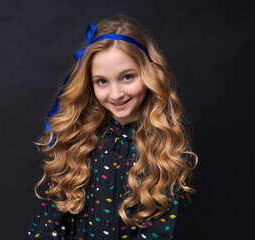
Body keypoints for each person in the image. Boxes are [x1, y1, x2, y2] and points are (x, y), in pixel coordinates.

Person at [28, 15, 197, 240]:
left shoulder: (165, 153)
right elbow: (48, 225)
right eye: (102, 81)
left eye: (127, 77)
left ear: (149, 73)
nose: (116, 94)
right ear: (90, 82)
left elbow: (158, 234)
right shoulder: (78, 140)